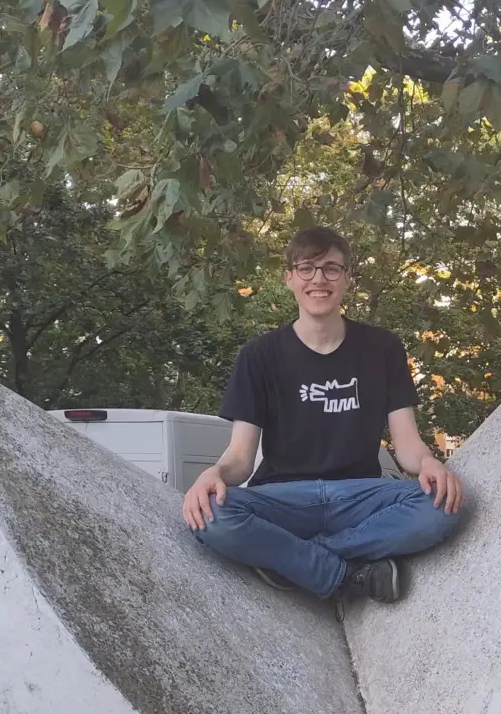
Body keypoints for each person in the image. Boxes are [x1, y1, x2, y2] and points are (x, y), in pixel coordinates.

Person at [183, 226, 464, 608]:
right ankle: (346, 574)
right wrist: (213, 473)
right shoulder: (259, 356)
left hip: (360, 495)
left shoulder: (382, 348)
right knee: (210, 514)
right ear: (289, 278)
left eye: (331, 268)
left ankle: (297, 559)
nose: (319, 279)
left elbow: (407, 446)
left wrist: (430, 463)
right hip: (284, 499)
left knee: (441, 505)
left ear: (348, 278)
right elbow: (240, 459)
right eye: (307, 268)